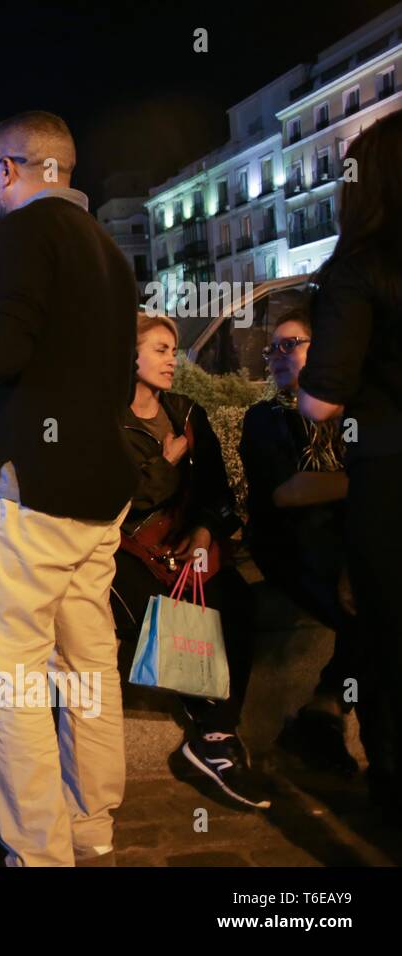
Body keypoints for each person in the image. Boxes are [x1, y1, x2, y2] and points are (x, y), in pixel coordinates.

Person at [0, 111, 138, 866]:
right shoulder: (107, 249)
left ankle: (39, 855)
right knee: (87, 666)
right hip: (99, 490)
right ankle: (92, 829)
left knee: (13, 682)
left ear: (14, 168)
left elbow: (2, 351)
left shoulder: (22, 232)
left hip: (30, 492)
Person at [112, 314, 268, 809]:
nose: (171, 361)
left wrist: (203, 534)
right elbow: (114, 498)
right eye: (159, 349)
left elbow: (216, 492)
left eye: (173, 350)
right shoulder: (104, 420)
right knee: (156, 614)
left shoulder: (187, 413)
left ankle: (215, 735)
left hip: (183, 542)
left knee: (238, 603)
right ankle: (216, 736)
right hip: (125, 549)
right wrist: (166, 462)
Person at [298, 110, 402, 819]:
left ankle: (392, 787)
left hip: (391, 475)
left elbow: (321, 401)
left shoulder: (360, 268)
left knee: (389, 636)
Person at [240, 308, 359, 777]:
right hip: (291, 545)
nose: (277, 356)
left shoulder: (352, 412)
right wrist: (362, 479)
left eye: (293, 344)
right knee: (369, 612)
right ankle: (326, 708)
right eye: (274, 348)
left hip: (349, 542)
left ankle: (325, 708)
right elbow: (288, 492)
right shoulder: (266, 418)